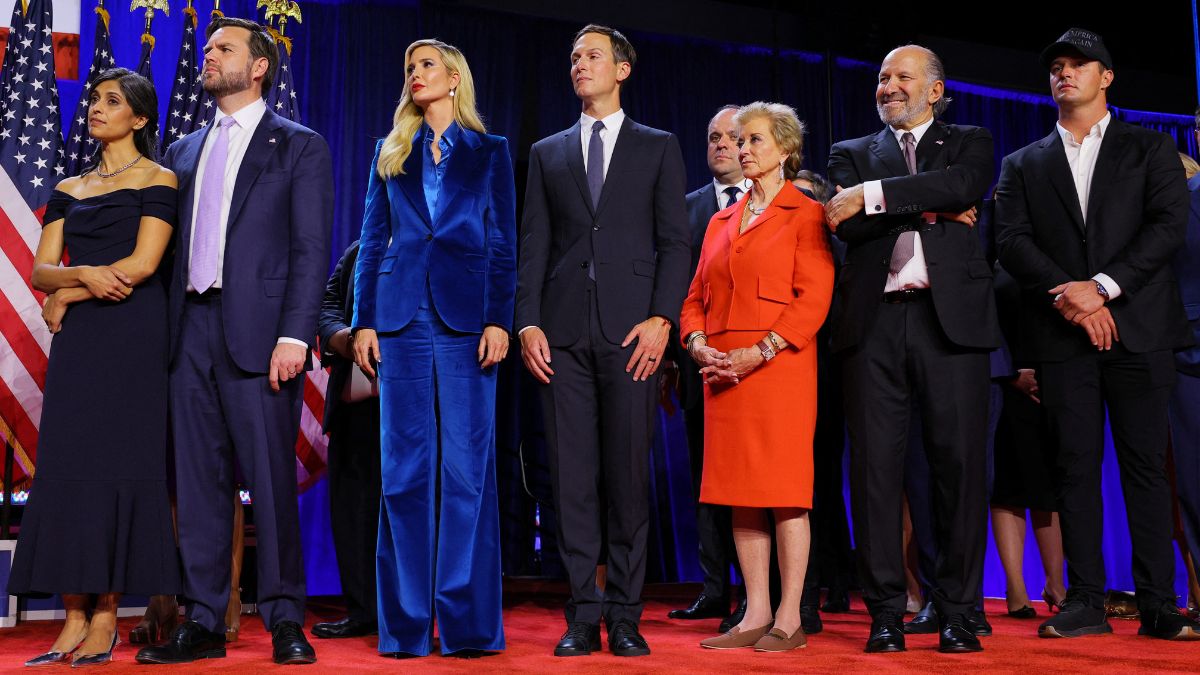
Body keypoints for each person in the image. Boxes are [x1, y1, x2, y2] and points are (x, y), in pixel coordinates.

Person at [134, 17, 333, 665]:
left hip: (261, 335)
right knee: (197, 484)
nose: (209, 54)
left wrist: (293, 334)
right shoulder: (182, 150)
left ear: (258, 68)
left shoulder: (298, 145)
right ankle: (202, 619)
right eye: (209, 46)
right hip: (187, 330)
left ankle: (283, 618)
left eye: (224, 48)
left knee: (271, 482)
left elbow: (309, 250)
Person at [995, 27, 1200, 641]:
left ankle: (1161, 604)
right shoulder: (1021, 162)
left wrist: (1103, 287)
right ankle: (1083, 599)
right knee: (1074, 468)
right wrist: (1071, 295)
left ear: (1106, 78)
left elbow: (1167, 227)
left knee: (1144, 468)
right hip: (1062, 335)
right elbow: (1010, 241)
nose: (1064, 73)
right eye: (1056, 65)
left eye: (1078, 64)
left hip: (1141, 328)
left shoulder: (1149, 148)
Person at [515, 24, 690, 657]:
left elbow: (675, 242)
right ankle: (582, 614)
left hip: (632, 336)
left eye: (592, 56)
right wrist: (527, 321)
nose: (578, 65)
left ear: (623, 70)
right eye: (573, 57)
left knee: (625, 478)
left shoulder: (658, 146)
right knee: (572, 480)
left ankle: (625, 614)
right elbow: (533, 243)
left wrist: (662, 319)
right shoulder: (546, 152)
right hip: (560, 336)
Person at [825, 44, 999, 654]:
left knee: (958, 470)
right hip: (871, 327)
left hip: (950, 326)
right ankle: (886, 614)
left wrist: (878, 197)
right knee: (874, 473)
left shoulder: (971, 139)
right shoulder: (849, 152)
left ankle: (957, 610)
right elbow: (846, 224)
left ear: (934, 89)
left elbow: (965, 183)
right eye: (881, 77)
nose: (888, 86)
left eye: (902, 76)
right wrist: (936, 208)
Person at [7, 67, 180, 667]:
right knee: (69, 466)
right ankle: (73, 614)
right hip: (79, 344)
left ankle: (107, 612)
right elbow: (40, 270)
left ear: (140, 117)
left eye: (113, 101)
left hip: (132, 336)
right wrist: (76, 281)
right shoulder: (68, 186)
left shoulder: (160, 178)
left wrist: (67, 292)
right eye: (95, 100)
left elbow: (143, 264)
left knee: (120, 463)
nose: (97, 108)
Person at [351, 38, 515, 657]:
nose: (415, 74)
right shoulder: (390, 150)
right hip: (400, 321)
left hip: (469, 320)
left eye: (425, 66)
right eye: (409, 67)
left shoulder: (490, 152)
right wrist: (364, 319)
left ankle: (468, 626)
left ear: (454, 79)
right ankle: (407, 626)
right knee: (404, 473)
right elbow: (371, 239)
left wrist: (500, 318)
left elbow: (502, 242)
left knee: (467, 472)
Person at [681, 101, 834, 652]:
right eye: (740, 141)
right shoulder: (721, 219)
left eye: (754, 141)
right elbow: (695, 296)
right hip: (722, 372)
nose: (742, 150)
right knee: (740, 494)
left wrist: (761, 349)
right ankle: (756, 611)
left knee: (785, 493)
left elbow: (813, 298)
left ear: (785, 151)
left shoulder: (806, 212)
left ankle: (790, 616)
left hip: (780, 369)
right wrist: (698, 345)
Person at [667, 104, 749, 630]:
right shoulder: (686, 209)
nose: (720, 145)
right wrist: (681, 358)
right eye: (712, 136)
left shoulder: (784, 201)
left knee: (758, 483)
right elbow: (678, 288)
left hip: (762, 364)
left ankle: (769, 594)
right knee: (708, 481)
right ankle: (716, 590)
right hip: (701, 364)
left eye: (732, 136)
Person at [310, 240, 381, 640]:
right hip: (355, 401)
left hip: (416, 404)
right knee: (353, 508)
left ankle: (412, 609)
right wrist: (346, 339)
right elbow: (327, 308)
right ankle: (362, 610)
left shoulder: (432, 243)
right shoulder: (358, 251)